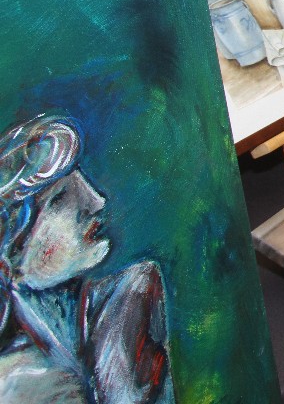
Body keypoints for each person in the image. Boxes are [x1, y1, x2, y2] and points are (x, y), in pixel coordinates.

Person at [0, 113, 175, 403]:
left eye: (83, 184)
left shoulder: (127, 295)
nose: (96, 201)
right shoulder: (15, 380)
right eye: (59, 200)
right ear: (14, 248)